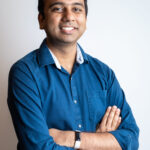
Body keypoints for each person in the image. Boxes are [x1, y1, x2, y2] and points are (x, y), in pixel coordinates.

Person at [7, 0, 139, 149]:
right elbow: (39, 147)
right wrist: (100, 142)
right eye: (57, 8)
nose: (69, 16)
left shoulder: (104, 73)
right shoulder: (25, 73)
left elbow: (131, 140)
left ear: (85, 19)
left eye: (76, 9)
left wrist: (70, 138)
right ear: (41, 20)